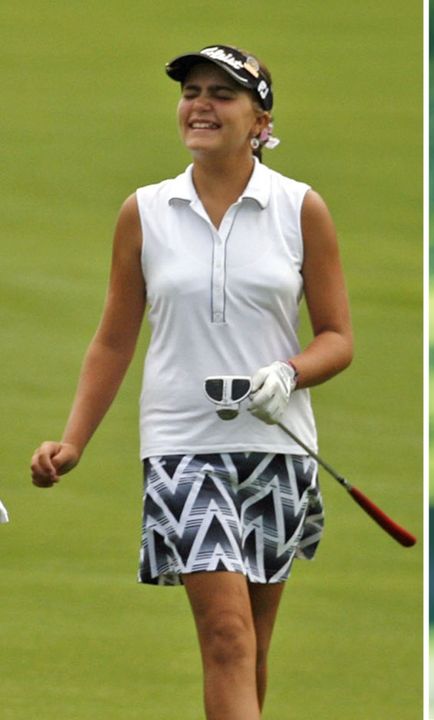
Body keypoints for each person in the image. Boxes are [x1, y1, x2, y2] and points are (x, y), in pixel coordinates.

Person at [29, 45, 353, 720]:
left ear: (260, 120)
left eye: (222, 95)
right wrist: (74, 441)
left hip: (280, 447)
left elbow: (337, 338)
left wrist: (287, 373)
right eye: (192, 92)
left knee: (252, 647)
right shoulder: (144, 211)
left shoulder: (300, 209)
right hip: (181, 445)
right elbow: (115, 337)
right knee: (226, 636)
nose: (201, 105)